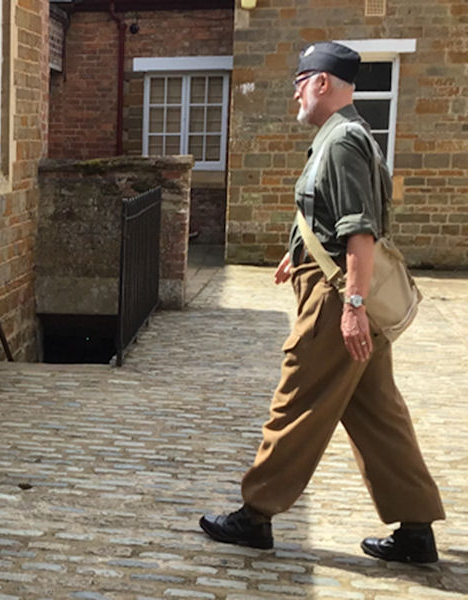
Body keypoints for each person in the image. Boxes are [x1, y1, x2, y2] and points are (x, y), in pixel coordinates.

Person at [198, 41, 445, 564]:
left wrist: (353, 305)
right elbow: (331, 215)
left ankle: (255, 514)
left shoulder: (341, 142)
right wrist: (297, 253)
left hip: (337, 300)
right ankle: (416, 527)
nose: (294, 95)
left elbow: (360, 233)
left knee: (297, 399)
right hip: (341, 290)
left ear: (322, 83)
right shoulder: (345, 135)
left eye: (299, 83)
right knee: (377, 411)